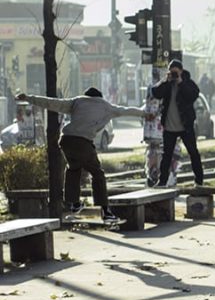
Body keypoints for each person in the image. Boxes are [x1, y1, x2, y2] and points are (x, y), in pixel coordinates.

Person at [17, 88, 150, 221]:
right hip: (83, 142)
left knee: (73, 168)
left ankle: (73, 203)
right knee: (97, 174)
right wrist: (145, 114)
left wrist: (28, 98)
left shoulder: (76, 102)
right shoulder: (106, 107)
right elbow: (127, 110)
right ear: (100, 97)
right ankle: (105, 211)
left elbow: (51, 103)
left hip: (66, 140)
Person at [151, 59, 205, 188]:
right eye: (172, 71)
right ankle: (162, 181)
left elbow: (193, 95)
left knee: (193, 152)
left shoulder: (188, 82)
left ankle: (199, 180)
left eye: (176, 71)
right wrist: (165, 81)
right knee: (167, 155)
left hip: (185, 126)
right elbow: (156, 93)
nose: (174, 74)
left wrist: (180, 82)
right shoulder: (167, 83)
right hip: (170, 126)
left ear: (181, 71)